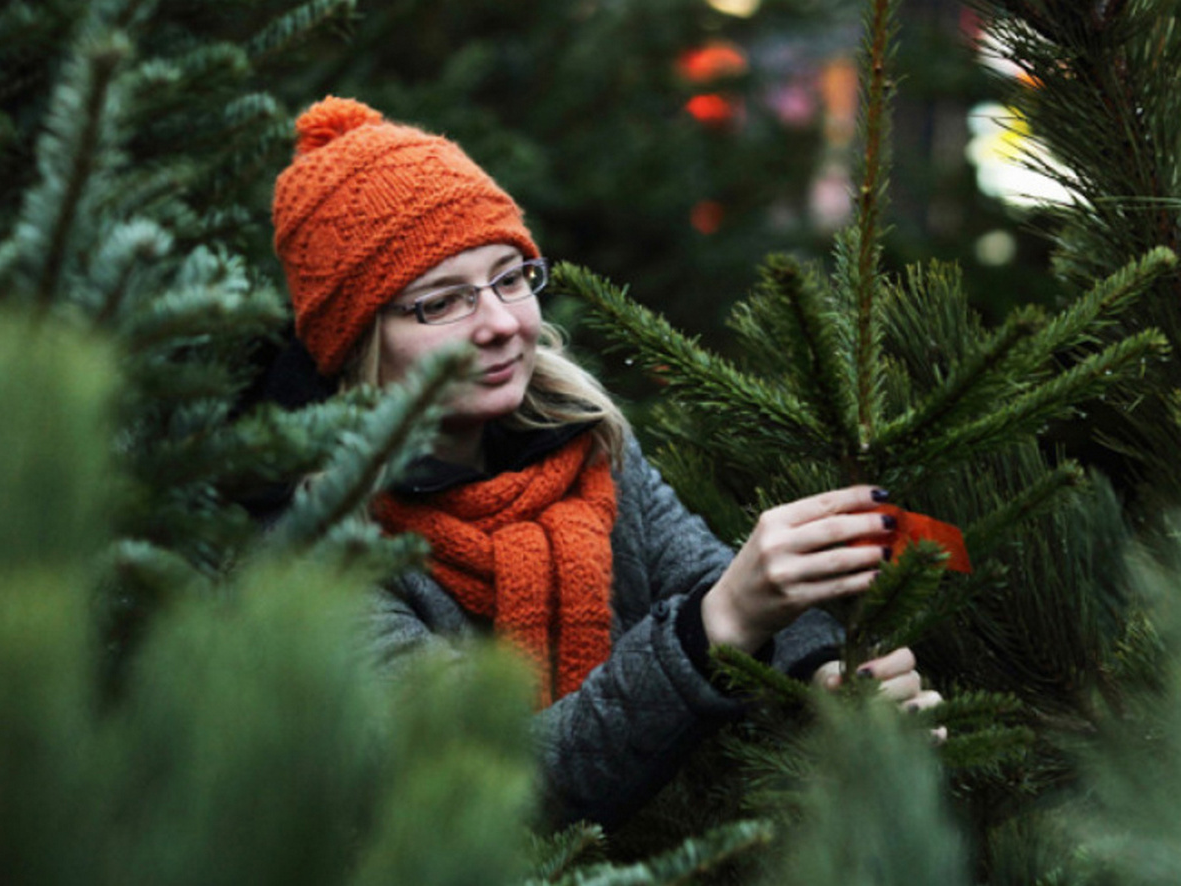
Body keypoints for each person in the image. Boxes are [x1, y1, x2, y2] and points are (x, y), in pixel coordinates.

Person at [270, 96, 940, 829]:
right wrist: (711, 626)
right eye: (441, 303)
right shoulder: (318, 553)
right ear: (356, 342)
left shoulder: (586, 447)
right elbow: (490, 789)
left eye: (509, 276)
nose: (499, 324)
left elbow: (708, 576)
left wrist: (826, 675)